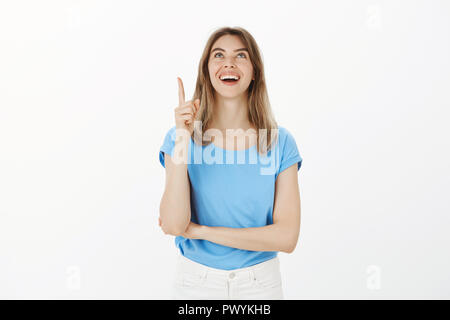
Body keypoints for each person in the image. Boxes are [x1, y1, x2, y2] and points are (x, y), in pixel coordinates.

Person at [158, 26, 303, 300]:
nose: (229, 63)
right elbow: (175, 225)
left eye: (241, 56)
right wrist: (181, 138)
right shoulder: (179, 139)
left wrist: (202, 232)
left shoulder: (280, 142)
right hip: (196, 283)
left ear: (254, 71)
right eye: (219, 55)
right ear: (206, 69)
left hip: (260, 286)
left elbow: (286, 237)